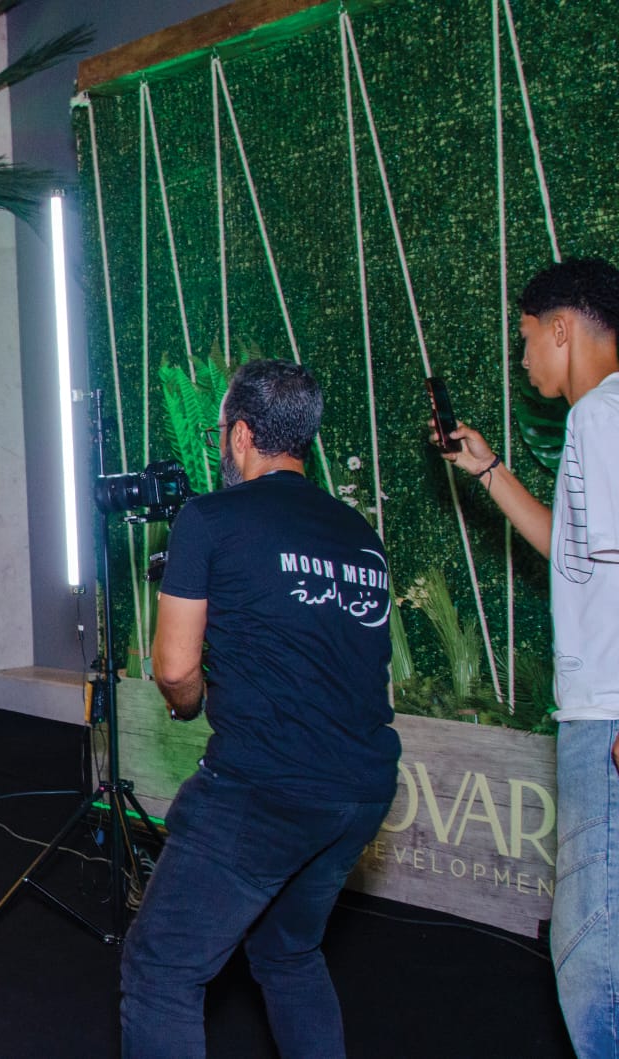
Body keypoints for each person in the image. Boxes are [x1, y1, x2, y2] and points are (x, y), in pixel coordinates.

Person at [119, 359, 400, 1058]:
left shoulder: (210, 518)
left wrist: (187, 706)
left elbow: (174, 666)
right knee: (287, 952)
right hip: (361, 790)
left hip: (264, 789)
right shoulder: (358, 534)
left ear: (240, 435)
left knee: (160, 971)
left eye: (222, 431)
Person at [439, 256, 619, 1058]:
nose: (522, 358)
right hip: (601, 713)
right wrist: (487, 468)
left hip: (608, 716)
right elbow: (573, 552)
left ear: (562, 329)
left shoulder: (600, 416)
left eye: (526, 339)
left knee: (593, 961)